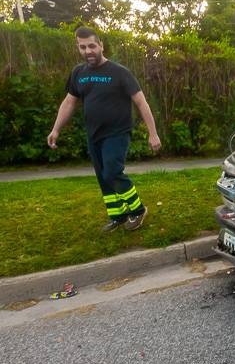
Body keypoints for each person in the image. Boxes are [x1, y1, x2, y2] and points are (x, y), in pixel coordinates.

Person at [47, 26, 161, 232]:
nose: (88, 51)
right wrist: (56, 129)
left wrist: (153, 133)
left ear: (101, 45)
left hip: (117, 133)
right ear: (78, 48)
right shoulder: (78, 73)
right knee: (102, 177)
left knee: (112, 172)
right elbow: (69, 102)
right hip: (94, 134)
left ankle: (138, 210)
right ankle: (117, 215)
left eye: (92, 46)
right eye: (83, 47)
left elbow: (141, 103)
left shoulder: (119, 72)